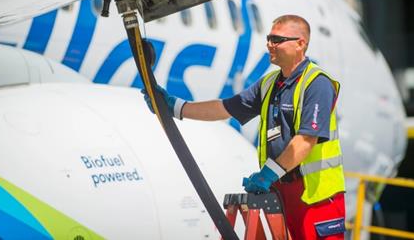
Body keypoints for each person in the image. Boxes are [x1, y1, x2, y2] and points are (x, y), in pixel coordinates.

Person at [142, 15, 346, 240]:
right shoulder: (270, 83)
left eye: (277, 39)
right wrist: (176, 107)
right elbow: (226, 108)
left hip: (316, 197)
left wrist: (268, 174)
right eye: (269, 38)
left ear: (301, 44)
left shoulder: (317, 83)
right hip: (282, 189)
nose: (269, 44)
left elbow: (306, 140)